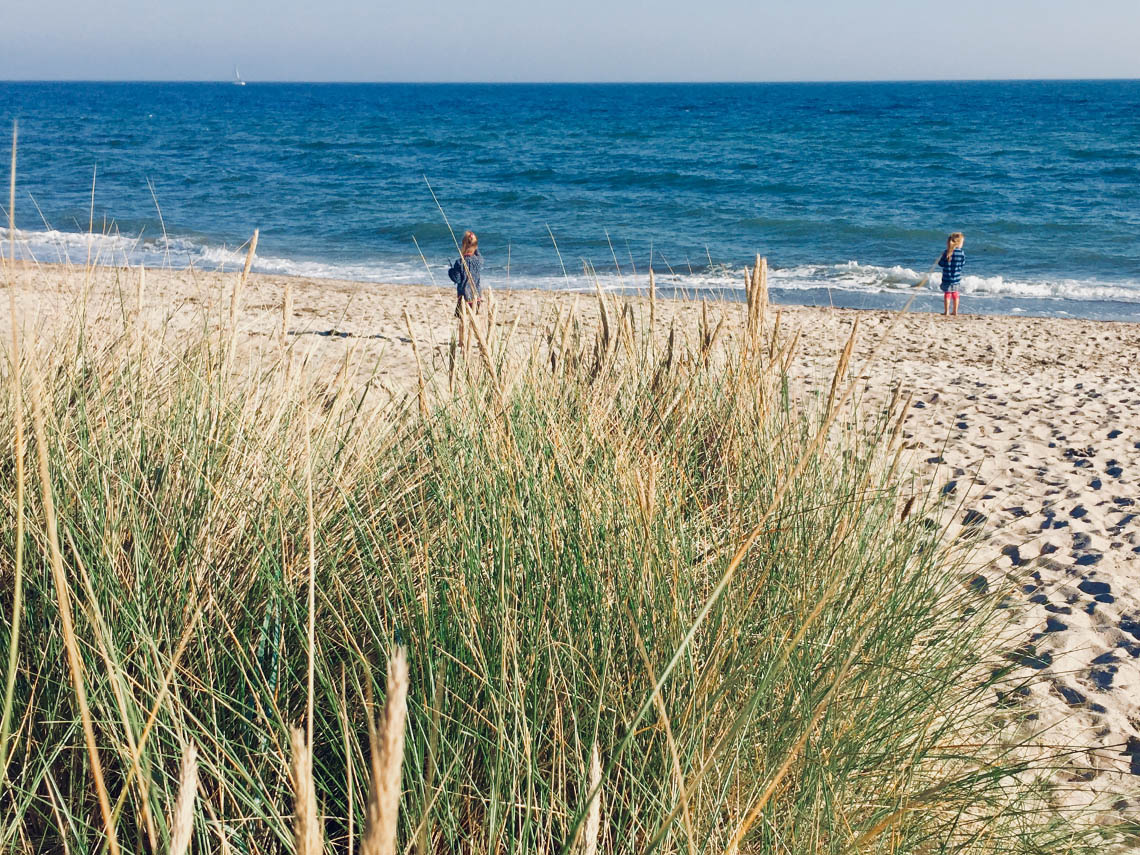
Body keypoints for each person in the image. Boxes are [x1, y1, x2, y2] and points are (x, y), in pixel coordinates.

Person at [448, 231, 484, 318]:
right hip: (477, 296)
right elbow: (477, 252)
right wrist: (474, 245)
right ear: (476, 246)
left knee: (462, 320)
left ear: (463, 245)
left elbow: (457, 279)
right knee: (474, 319)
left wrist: (451, 271)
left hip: (464, 297)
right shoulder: (479, 260)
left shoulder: (460, 262)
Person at [938, 232, 965, 316]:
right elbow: (962, 263)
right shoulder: (961, 253)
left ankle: (946, 312)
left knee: (947, 294)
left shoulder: (946, 252)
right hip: (956, 278)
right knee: (955, 294)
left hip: (946, 277)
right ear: (959, 243)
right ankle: (955, 311)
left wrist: (942, 256)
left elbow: (941, 264)